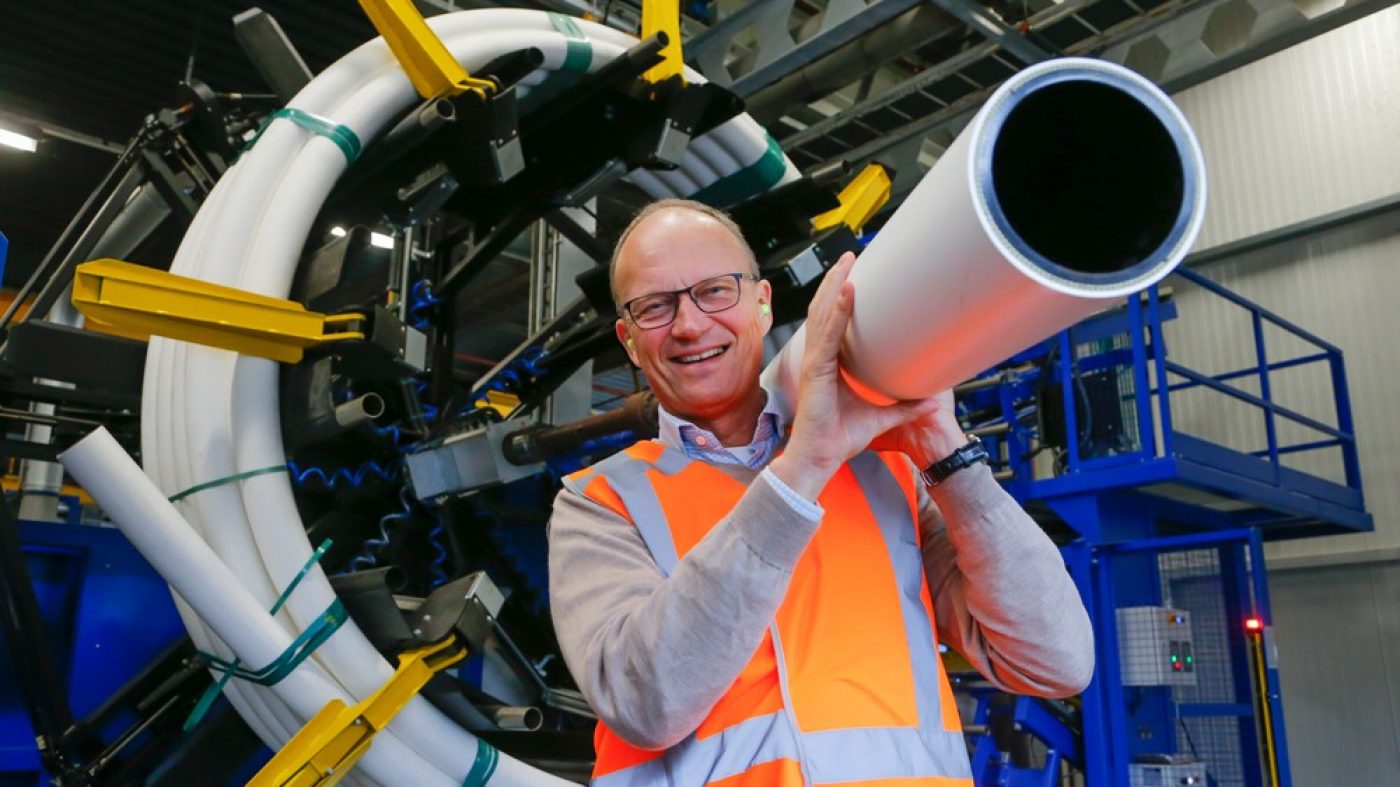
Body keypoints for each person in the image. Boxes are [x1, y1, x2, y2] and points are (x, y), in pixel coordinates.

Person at [548, 199, 1093, 786]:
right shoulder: (598, 502)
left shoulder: (887, 475)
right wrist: (803, 466)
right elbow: (644, 703)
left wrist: (949, 455)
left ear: (762, 302)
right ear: (629, 341)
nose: (688, 325)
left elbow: (1056, 661)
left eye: (715, 291)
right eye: (656, 307)